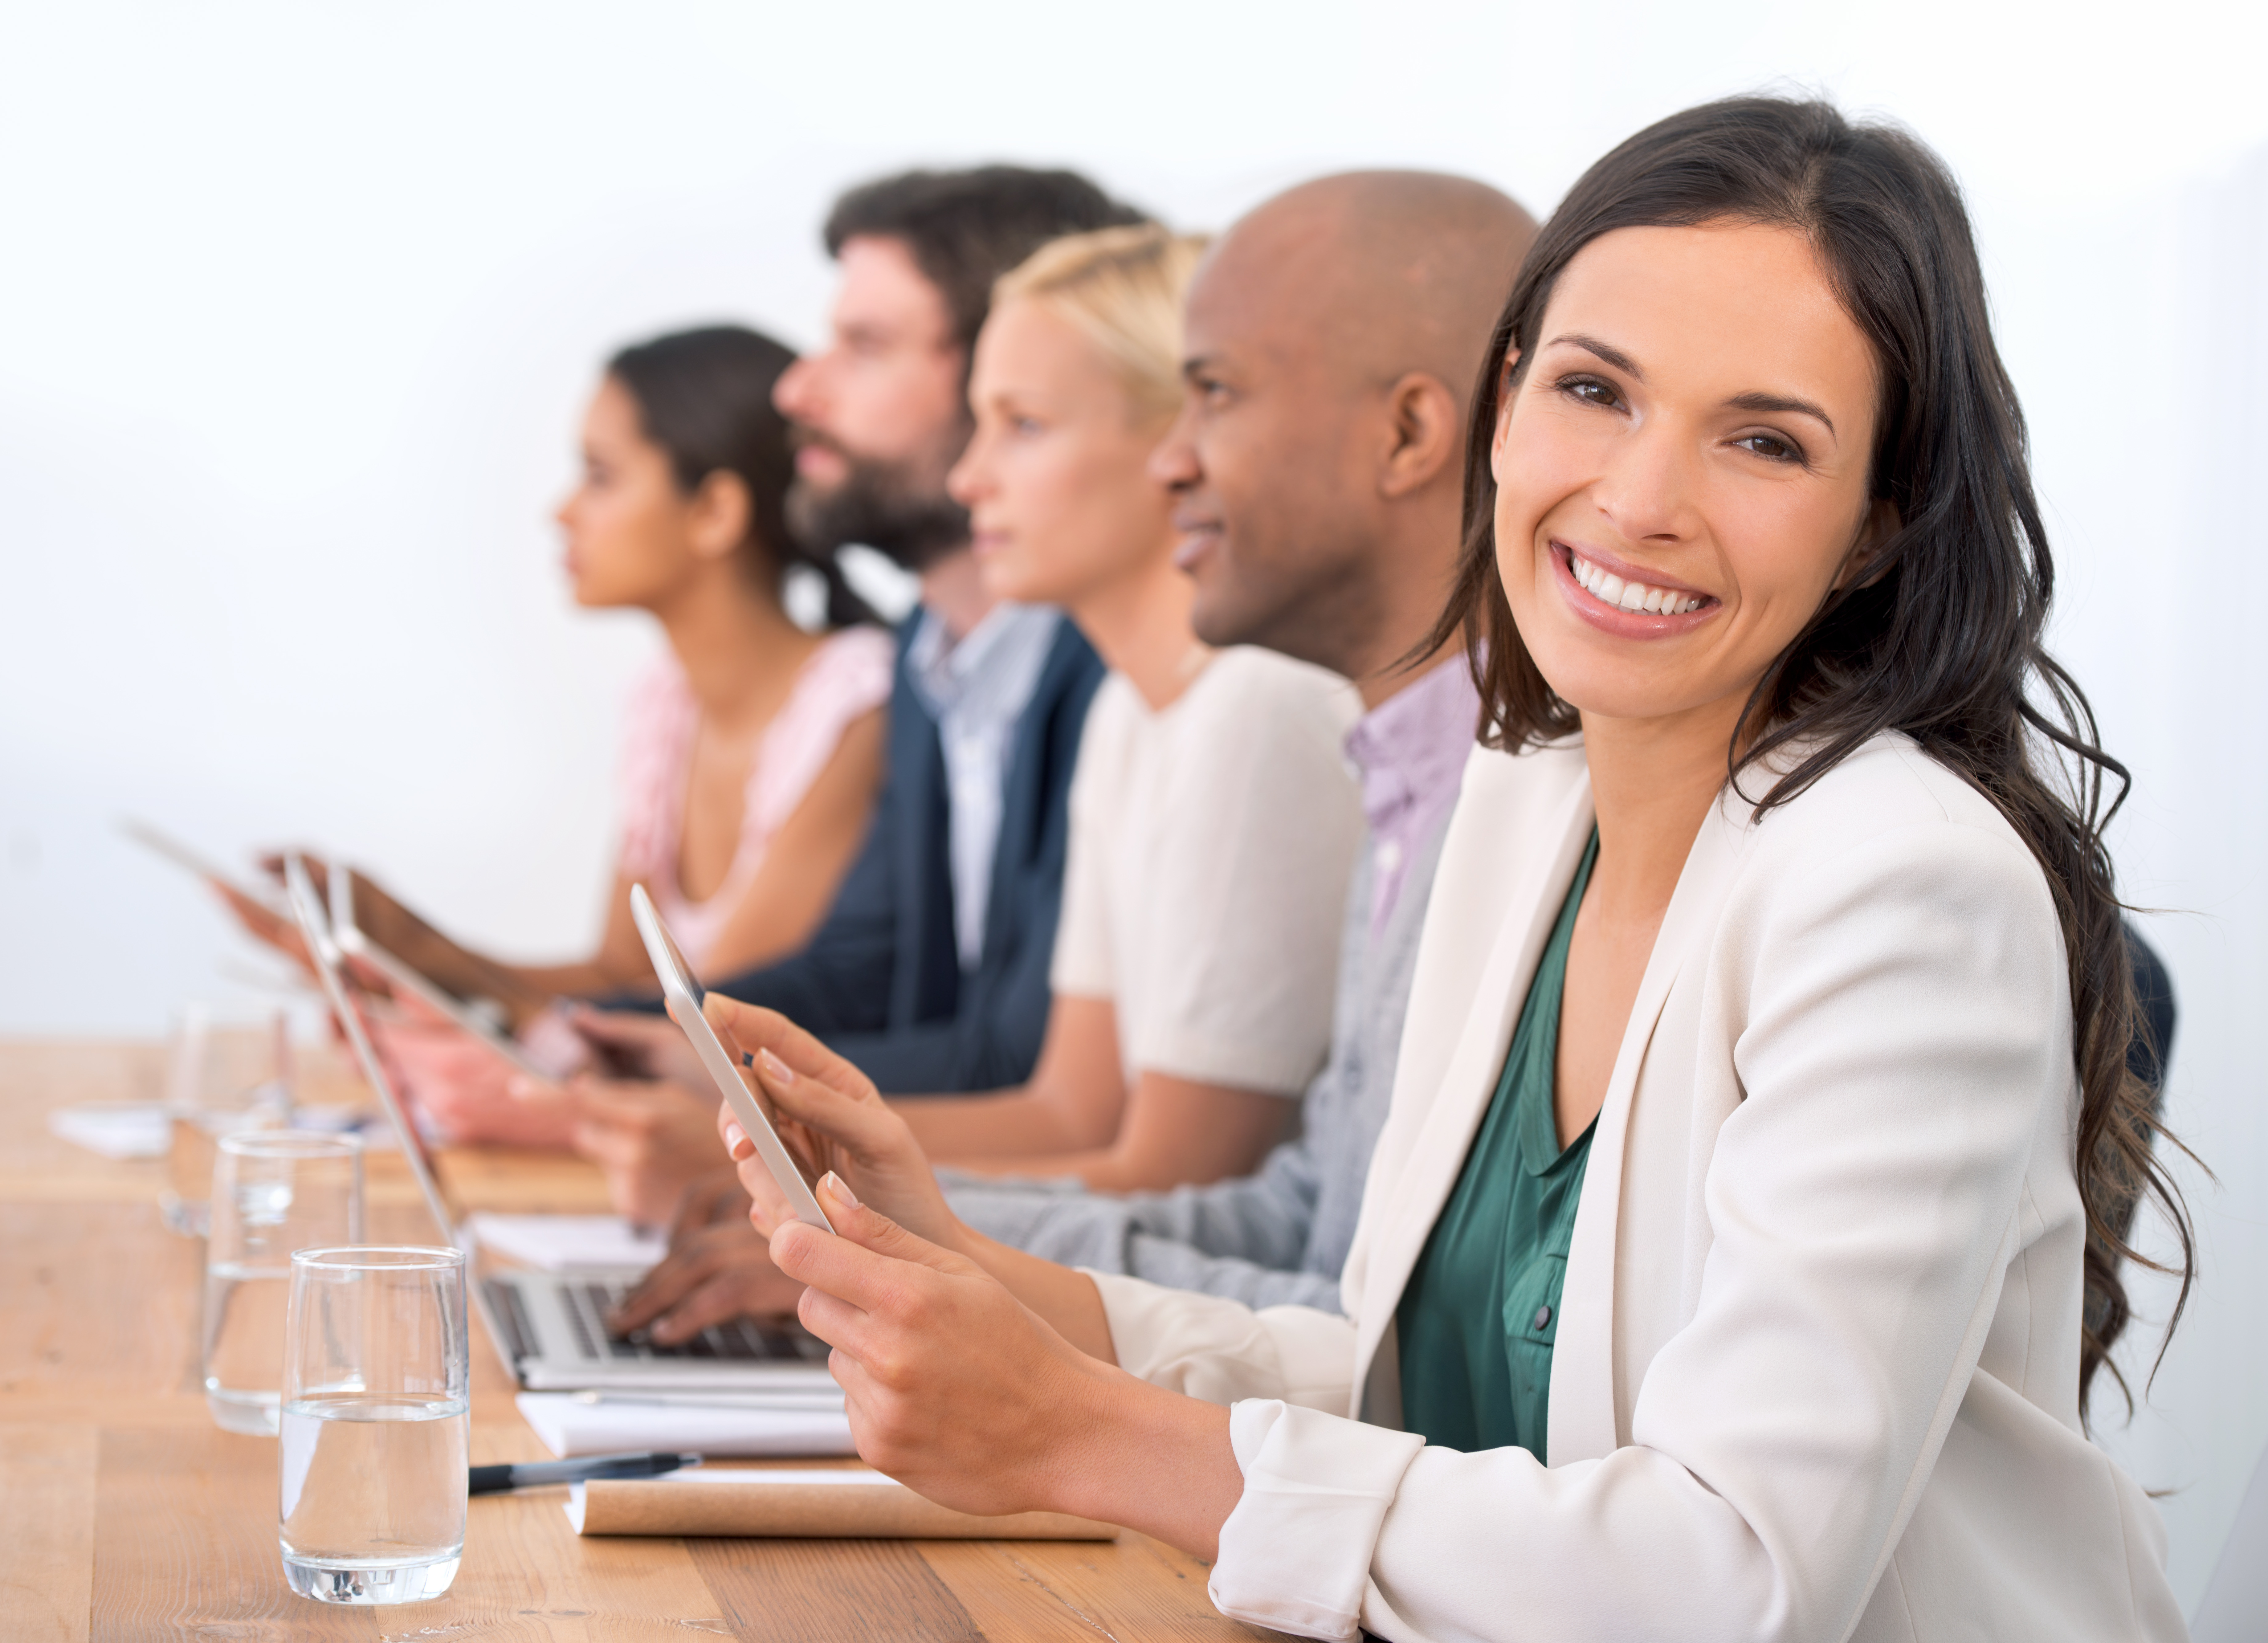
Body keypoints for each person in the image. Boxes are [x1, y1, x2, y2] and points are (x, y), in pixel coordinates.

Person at [694, 98, 2193, 1640]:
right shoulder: (1523, 806)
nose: (1639, 497)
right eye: (1594, 390)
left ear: (1875, 522)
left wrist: (1082, 1435)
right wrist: (975, 1275)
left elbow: (1727, 1571)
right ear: (1500, 409)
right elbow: (1409, 1386)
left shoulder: (1901, 886)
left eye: (1762, 439)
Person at [612, 171, 1536, 1340]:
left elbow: (1366, 1310)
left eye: (1215, 400)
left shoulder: (1328, 736)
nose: (1173, 466)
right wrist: (898, 1231)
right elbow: (1309, 1221)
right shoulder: (1366, 749)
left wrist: (922, 1252)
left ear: (1411, 431)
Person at [263, 325, 897, 1151]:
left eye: (600, 476)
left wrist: (433, 967)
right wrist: (399, 942)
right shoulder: (667, 703)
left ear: (714, 511)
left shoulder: (854, 705)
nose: (561, 511)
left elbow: (710, 1023)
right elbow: (620, 979)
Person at [871, 221, 1364, 1191]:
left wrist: (842, 1208)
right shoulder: (1130, 715)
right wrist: (783, 1148)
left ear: (1179, 438)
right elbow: (1070, 1110)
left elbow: (1171, 1175)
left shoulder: (1256, 708)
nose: (968, 479)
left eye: (1025, 425)